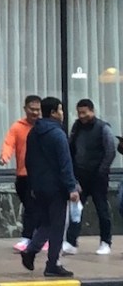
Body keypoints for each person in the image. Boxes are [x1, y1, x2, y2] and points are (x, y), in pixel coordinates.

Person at [20, 96, 79, 278]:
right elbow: (65, 163)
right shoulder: (57, 134)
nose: (62, 113)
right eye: (60, 109)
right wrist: (71, 187)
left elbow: (28, 161)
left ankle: (31, 250)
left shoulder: (33, 132)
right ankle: (53, 264)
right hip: (56, 188)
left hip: (39, 186)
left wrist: (32, 184)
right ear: (53, 112)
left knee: (46, 222)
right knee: (58, 226)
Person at [63, 98, 115, 256]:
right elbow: (71, 148)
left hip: (98, 177)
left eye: (84, 112)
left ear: (92, 111)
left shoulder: (103, 128)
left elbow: (110, 151)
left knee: (102, 210)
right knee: (76, 210)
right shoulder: (76, 127)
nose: (81, 116)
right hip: (80, 176)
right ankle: (71, 242)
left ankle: (105, 242)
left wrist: (102, 171)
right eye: (79, 113)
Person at [0, 95, 42, 253]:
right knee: (31, 206)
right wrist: (5, 156)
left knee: (31, 207)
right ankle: (39, 236)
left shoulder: (44, 127)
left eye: (38, 109)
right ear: (25, 109)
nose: (35, 112)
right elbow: (9, 143)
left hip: (39, 175)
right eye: (32, 109)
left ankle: (28, 237)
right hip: (22, 174)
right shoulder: (18, 127)